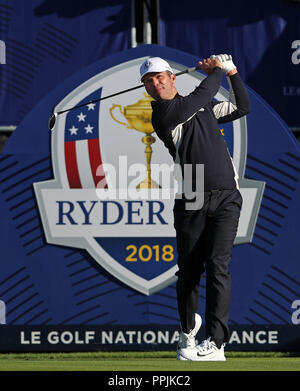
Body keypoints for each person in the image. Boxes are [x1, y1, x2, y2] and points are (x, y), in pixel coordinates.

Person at [140, 54, 250, 361]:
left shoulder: (202, 105)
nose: (155, 83)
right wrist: (217, 69)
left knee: (219, 266)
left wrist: (233, 73)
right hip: (191, 199)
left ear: (172, 78)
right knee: (189, 273)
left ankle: (216, 343)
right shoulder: (164, 114)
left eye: (160, 76)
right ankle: (188, 331)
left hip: (227, 196)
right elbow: (202, 93)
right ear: (147, 89)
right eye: (149, 81)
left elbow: (242, 106)